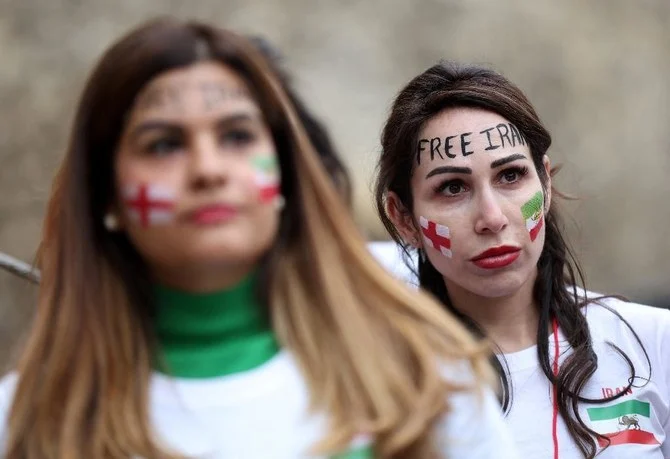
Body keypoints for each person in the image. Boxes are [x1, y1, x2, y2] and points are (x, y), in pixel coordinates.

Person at [0, 20, 519, 459]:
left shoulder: (424, 377)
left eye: (236, 136)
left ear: (287, 174)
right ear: (105, 193)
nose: (208, 169)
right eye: (163, 144)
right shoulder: (26, 422)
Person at [374, 60, 670, 458]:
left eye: (510, 176)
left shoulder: (654, 343)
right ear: (403, 217)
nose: (492, 218)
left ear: (545, 183)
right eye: (452, 187)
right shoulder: (372, 382)